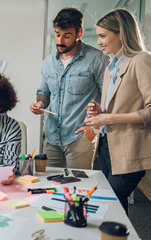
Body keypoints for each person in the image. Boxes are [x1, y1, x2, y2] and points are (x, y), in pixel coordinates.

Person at [85, 8, 151, 214]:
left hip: (129, 150)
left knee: (107, 200)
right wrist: (98, 111)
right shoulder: (110, 68)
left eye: (103, 36)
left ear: (121, 34)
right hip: (105, 148)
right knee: (114, 208)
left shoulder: (141, 60)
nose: (98, 42)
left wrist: (108, 117)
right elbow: (115, 107)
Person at [30, 7, 109, 169]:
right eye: (57, 34)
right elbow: (44, 92)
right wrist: (40, 104)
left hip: (80, 137)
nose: (60, 41)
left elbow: (109, 97)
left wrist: (93, 129)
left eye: (66, 36)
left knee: (79, 187)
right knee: (49, 183)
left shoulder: (97, 59)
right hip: (51, 137)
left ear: (79, 34)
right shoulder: (48, 62)